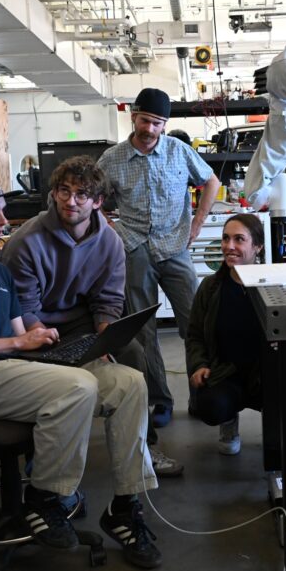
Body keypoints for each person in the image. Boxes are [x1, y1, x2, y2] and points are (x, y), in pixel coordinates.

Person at [0, 172, 161, 569]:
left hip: (13, 372)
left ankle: (125, 505)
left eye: (3, 211)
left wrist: (67, 348)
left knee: (128, 382)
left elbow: (25, 336)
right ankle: (45, 496)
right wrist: (17, 344)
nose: (4, 221)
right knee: (78, 387)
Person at [1, 155, 184, 477]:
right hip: (33, 324)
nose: (71, 201)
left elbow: (108, 299)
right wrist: (38, 334)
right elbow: (22, 306)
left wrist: (107, 334)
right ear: (54, 193)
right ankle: (39, 454)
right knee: (46, 370)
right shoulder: (25, 241)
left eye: (82, 194)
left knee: (132, 353)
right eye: (64, 191)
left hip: (80, 319)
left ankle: (144, 448)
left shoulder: (110, 242)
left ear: (98, 201)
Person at [97, 88, 222, 427]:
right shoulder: (111, 159)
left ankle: (202, 394)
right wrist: (111, 230)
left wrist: (198, 221)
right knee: (144, 331)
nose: (150, 129)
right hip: (135, 250)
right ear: (133, 117)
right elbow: (96, 201)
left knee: (196, 325)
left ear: (164, 125)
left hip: (175, 248)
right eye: (145, 121)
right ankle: (160, 401)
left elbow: (211, 181)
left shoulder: (179, 152)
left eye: (157, 123)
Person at [186, 214, 286, 455]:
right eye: (225, 239)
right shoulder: (211, 287)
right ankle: (229, 422)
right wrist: (199, 365)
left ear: (257, 246)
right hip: (225, 373)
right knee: (210, 407)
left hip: (267, 373)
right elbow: (194, 333)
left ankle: (277, 421)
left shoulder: (276, 286)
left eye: (239, 239)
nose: (229, 246)